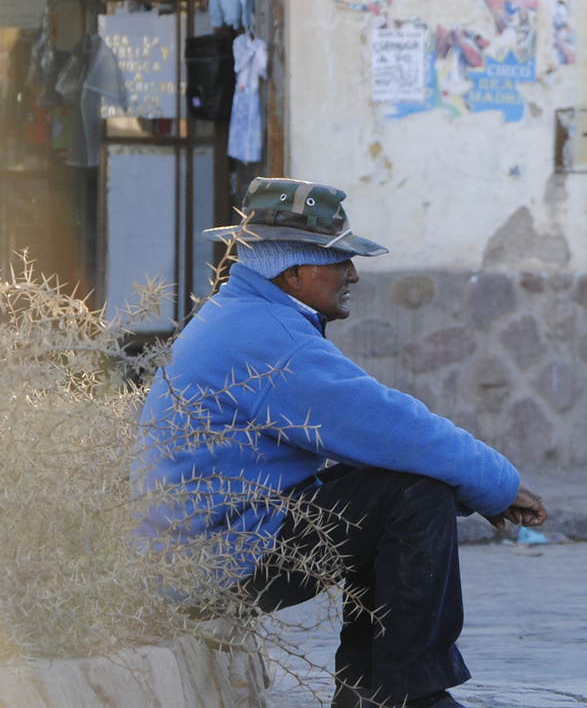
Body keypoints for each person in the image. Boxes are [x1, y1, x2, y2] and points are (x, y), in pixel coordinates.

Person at [134, 178, 547, 708]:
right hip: (213, 561)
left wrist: (473, 485)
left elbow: (382, 438)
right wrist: (498, 484)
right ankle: (409, 697)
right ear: (294, 272)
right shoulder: (269, 336)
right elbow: (392, 427)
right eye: (339, 261)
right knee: (413, 494)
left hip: (217, 542)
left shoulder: (245, 314)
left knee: (402, 486)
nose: (352, 273)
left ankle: (369, 694)